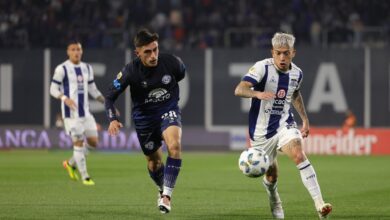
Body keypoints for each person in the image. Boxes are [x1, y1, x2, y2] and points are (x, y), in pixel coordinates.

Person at [234, 32, 332, 219]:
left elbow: (294, 94)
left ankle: (320, 204)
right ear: (272, 52)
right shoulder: (261, 68)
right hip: (261, 133)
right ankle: (274, 199)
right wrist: (257, 94)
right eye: (278, 53)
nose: (282, 57)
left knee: (298, 153)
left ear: (293, 53)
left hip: (284, 124)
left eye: (286, 53)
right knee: (272, 176)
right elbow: (239, 89)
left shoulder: (297, 73)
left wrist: (305, 119)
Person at [105, 29, 186, 214]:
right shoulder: (130, 71)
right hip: (144, 119)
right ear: (138, 53)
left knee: (174, 146)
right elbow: (110, 97)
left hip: (168, 110)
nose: (153, 55)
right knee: (154, 163)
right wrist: (112, 119)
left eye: (155, 49)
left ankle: (166, 196)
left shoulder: (173, 62)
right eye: (147, 52)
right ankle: (160, 188)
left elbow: (181, 74)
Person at [50, 39, 105, 186]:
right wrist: (64, 98)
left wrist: (107, 103)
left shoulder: (87, 68)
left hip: (85, 113)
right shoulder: (62, 69)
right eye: (73, 49)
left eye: (78, 49)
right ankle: (85, 176)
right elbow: (53, 89)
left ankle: (70, 163)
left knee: (93, 142)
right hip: (71, 114)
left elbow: (93, 89)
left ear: (82, 51)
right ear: (68, 52)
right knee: (79, 143)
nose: (76, 52)